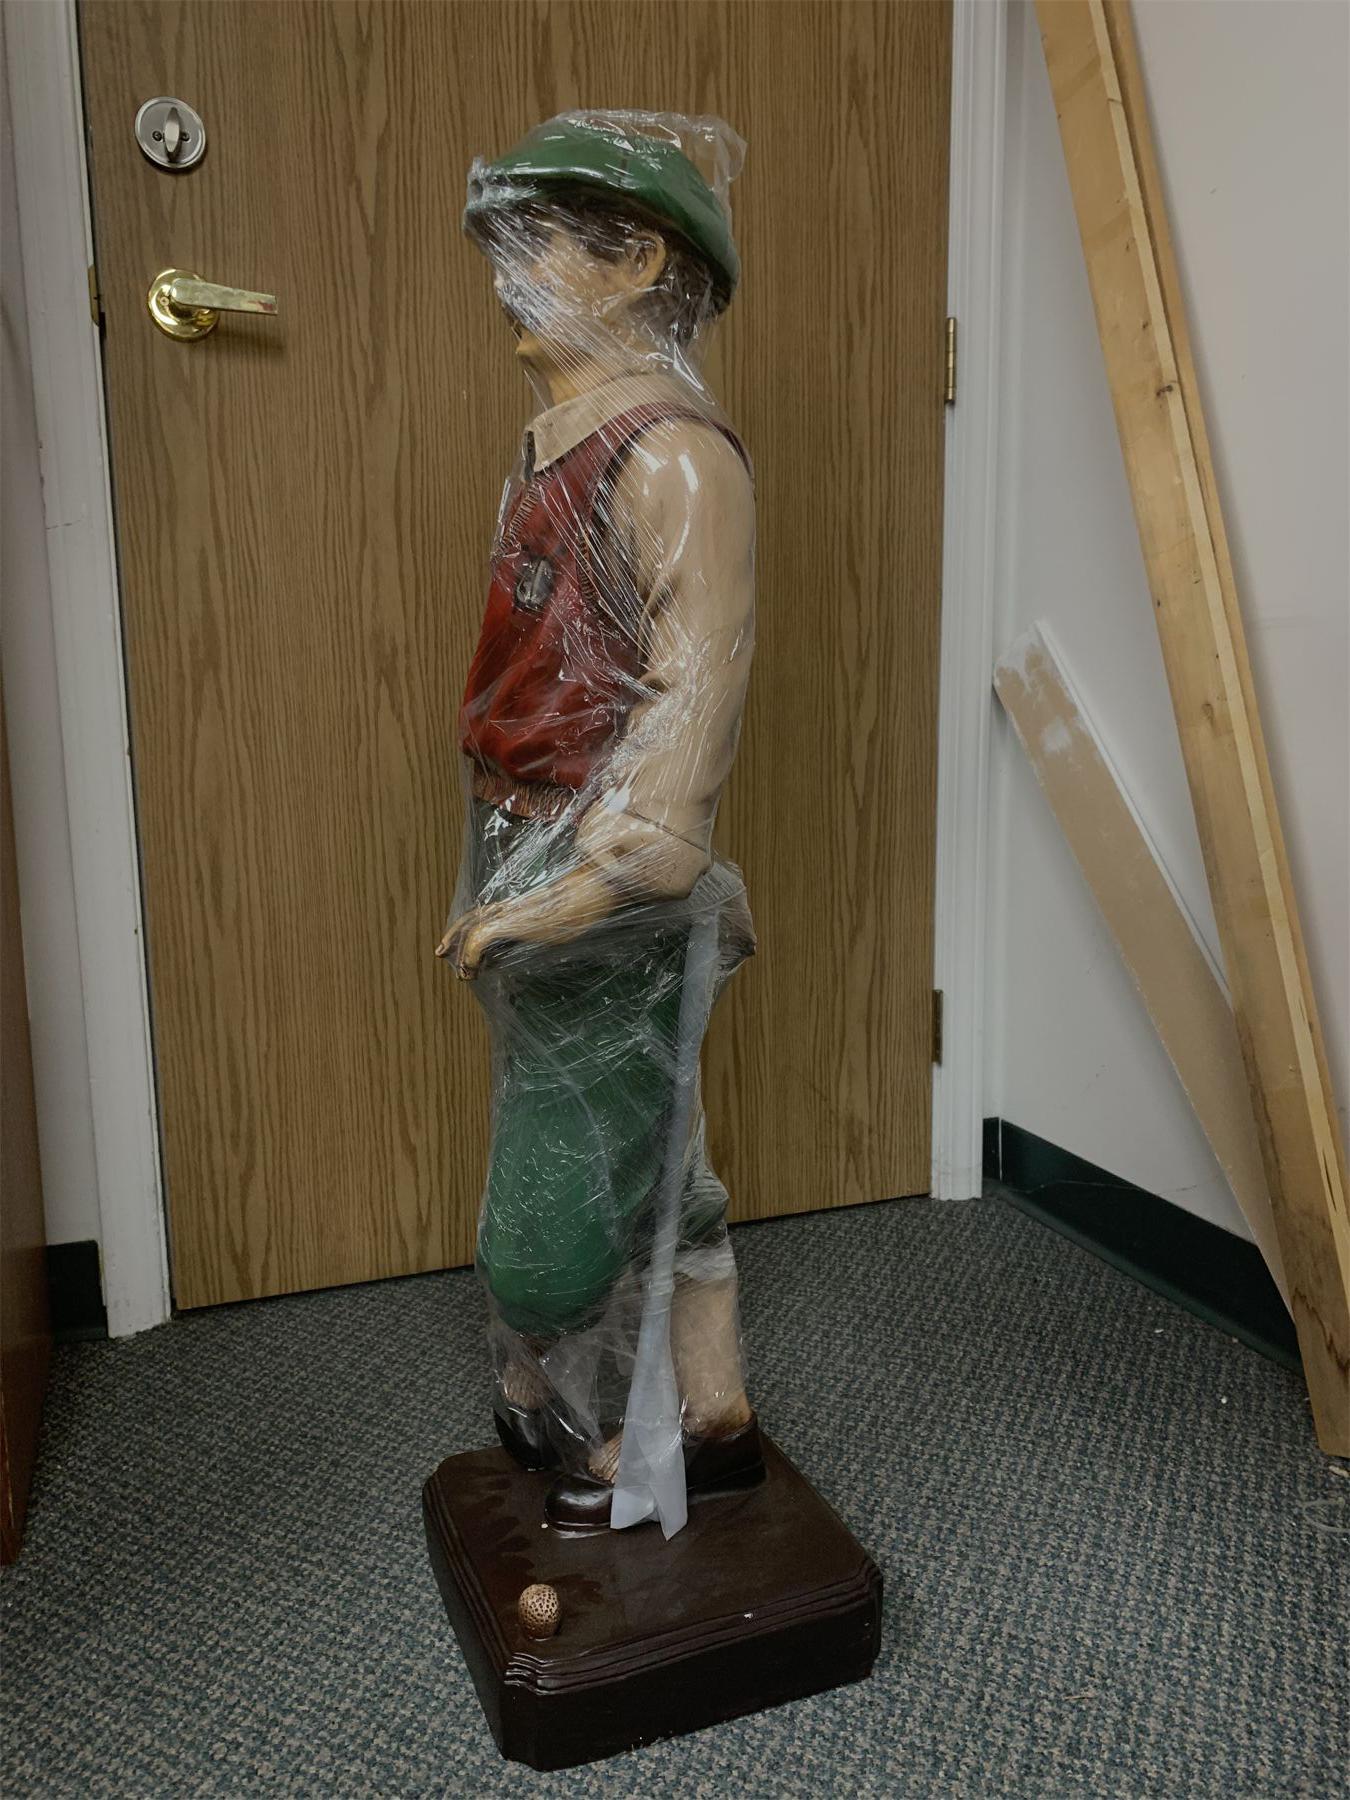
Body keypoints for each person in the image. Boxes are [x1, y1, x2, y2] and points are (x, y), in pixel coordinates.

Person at [436, 112, 760, 1536]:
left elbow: (689, 706)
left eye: (537, 241)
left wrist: (582, 888)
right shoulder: (551, 443)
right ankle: (709, 1411)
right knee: (649, 1133)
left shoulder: (671, 459)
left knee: (557, 1207)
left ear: (634, 261)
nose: (507, 272)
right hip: (523, 829)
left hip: (591, 865)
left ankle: (562, 1391)